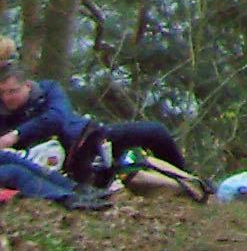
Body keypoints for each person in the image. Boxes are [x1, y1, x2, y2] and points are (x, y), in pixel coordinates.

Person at [0, 67, 193, 193]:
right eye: (2, 93)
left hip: (89, 136)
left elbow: (57, 117)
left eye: (13, 91)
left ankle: (189, 180)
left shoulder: (48, 90)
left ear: (27, 85)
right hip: (64, 162)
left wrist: (17, 135)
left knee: (154, 132)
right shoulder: (4, 116)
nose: (8, 98)